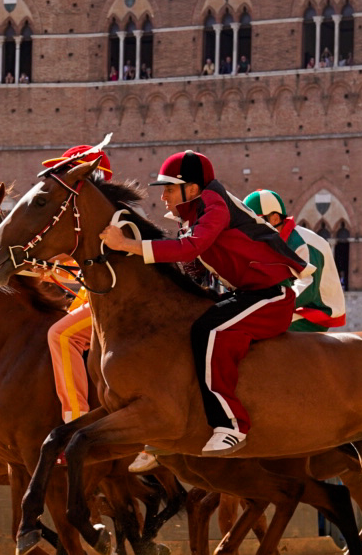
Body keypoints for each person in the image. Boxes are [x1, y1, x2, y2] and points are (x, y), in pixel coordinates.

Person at [99, 149, 306, 453]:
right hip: (247, 294)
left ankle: (231, 425)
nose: (164, 197)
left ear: (192, 189)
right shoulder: (194, 212)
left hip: (273, 297)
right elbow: (192, 264)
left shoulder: (214, 205)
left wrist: (128, 245)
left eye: (169, 189)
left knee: (210, 331)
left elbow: (187, 249)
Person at [40, 145, 113, 423]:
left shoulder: (106, 214)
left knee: (62, 335)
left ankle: (75, 419)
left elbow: (104, 270)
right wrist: (57, 271)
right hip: (97, 300)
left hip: (110, 305)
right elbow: (91, 267)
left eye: (67, 173)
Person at [242, 189, 347, 332]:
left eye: (255, 221)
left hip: (313, 312)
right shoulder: (272, 241)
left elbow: (307, 289)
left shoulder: (305, 242)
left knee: (257, 328)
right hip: (290, 306)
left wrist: (267, 307)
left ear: (274, 219)